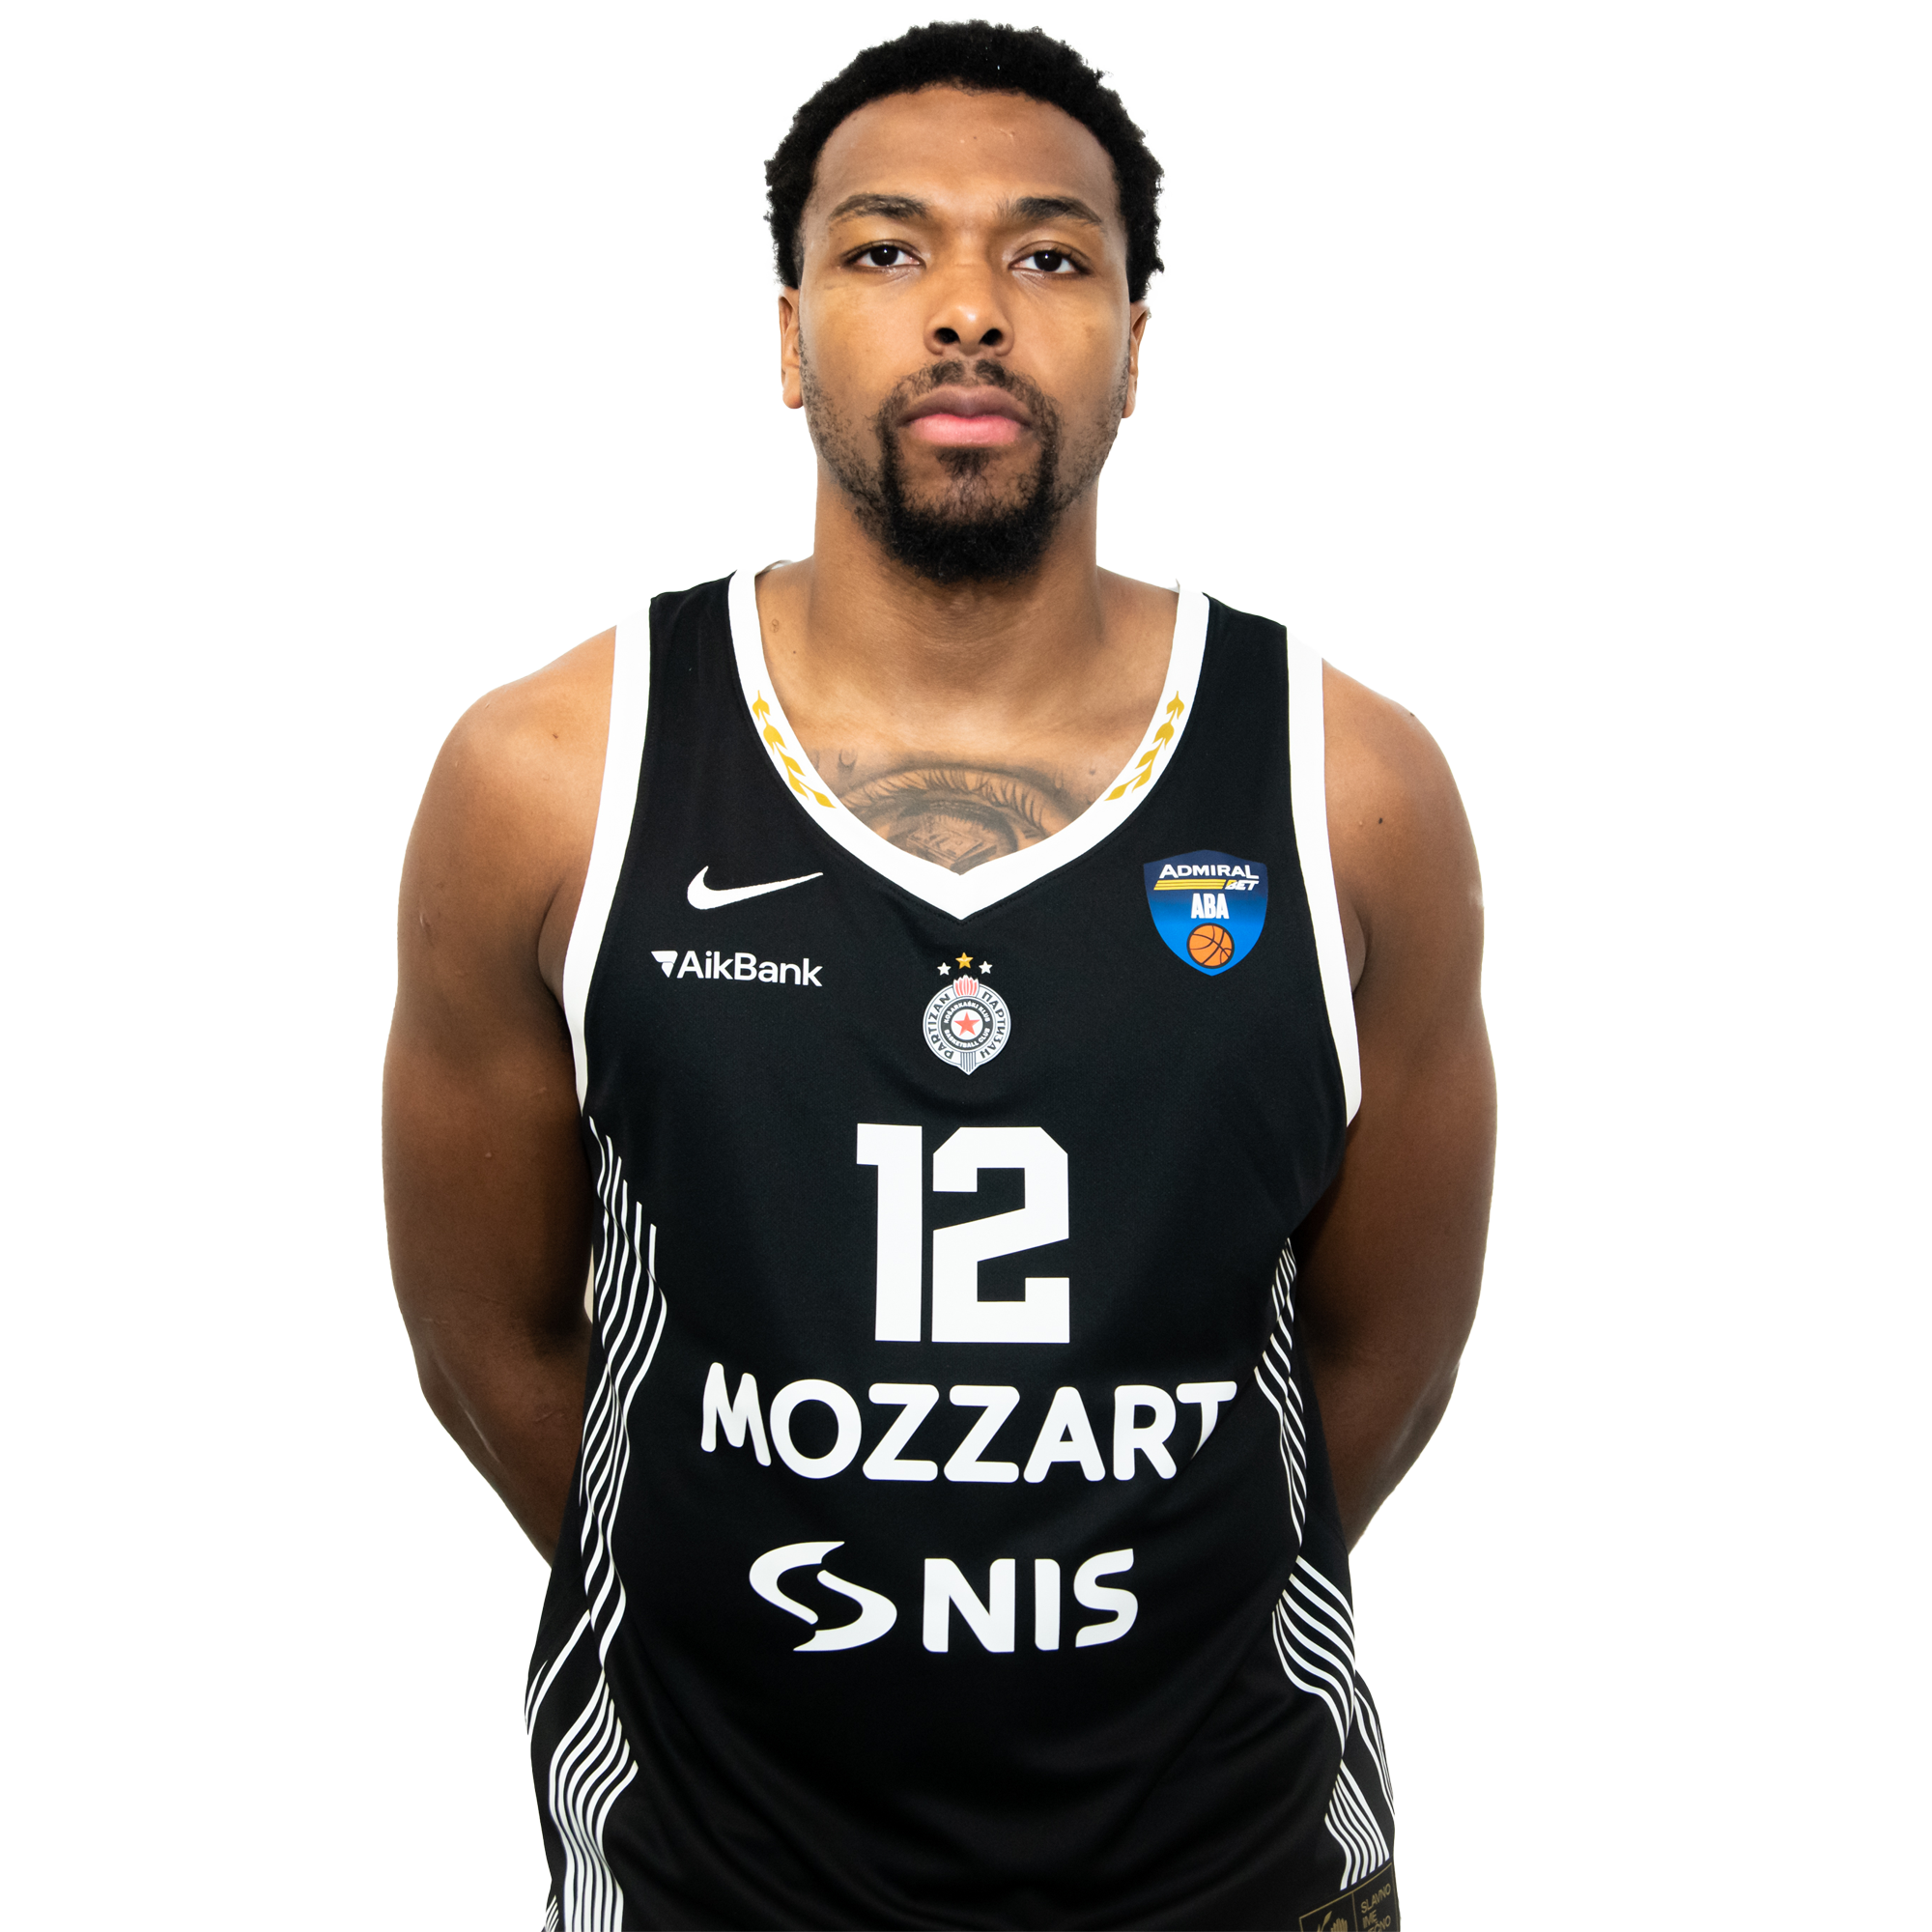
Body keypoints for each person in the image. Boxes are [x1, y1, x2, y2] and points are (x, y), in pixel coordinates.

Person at [383, 18, 1493, 1931]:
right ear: (790, 332)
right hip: (714, 1877)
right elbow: (487, 1338)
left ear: (1133, 343)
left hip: (1234, 1871)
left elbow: (1384, 1348)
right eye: (887, 247)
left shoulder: (1346, 789)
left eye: (1048, 254)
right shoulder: (555, 778)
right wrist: (746, 1608)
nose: (968, 309)